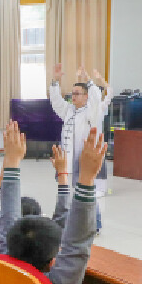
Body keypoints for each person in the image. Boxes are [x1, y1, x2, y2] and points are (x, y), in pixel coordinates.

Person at [0, 123, 106, 284]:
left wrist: (12, 161)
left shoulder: (3, 263)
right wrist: (80, 177)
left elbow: (77, 244)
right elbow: (76, 243)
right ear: (52, 263)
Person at [0, 126, 73, 253]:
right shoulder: (49, 251)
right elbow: (62, 219)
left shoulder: (5, 248)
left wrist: (9, 164)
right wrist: (62, 175)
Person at [49, 63, 109, 230]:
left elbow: (97, 97)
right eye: (72, 93)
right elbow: (55, 101)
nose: (73, 96)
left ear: (85, 96)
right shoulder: (68, 110)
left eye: (77, 94)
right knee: (66, 192)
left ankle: (95, 224)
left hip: (83, 159)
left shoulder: (91, 112)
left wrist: (88, 79)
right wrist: (55, 80)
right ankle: (67, 222)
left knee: (86, 190)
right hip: (67, 160)